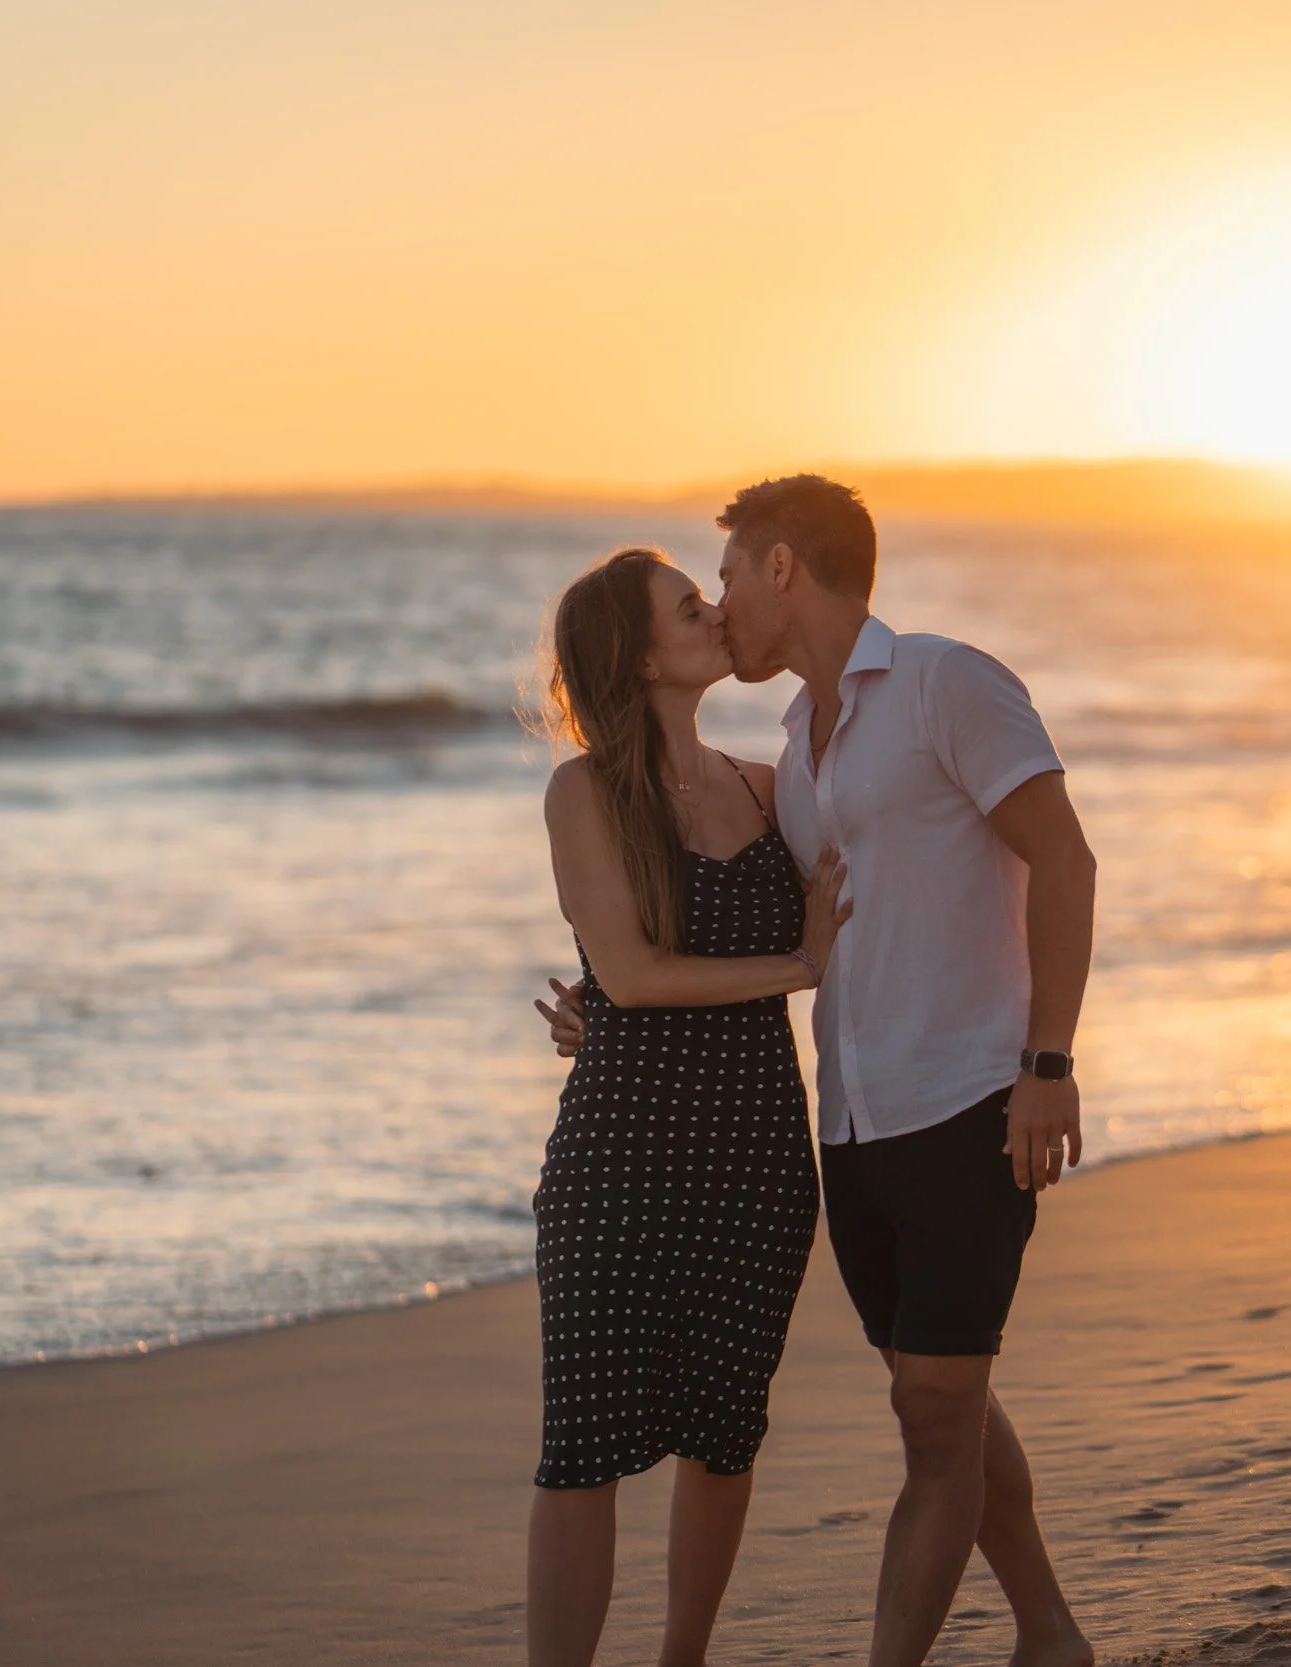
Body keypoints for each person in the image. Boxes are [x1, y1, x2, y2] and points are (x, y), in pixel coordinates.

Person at [542, 478, 1098, 1667]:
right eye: (695, 596)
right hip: (843, 1127)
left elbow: (1064, 858)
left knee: (929, 1406)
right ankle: (1048, 1628)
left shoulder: (944, 683)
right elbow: (722, 928)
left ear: (781, 568)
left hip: (960, 1101)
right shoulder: (792, 753)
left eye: (724, 577)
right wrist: (615, 1000)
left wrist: (1049, 1059)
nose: (721, 602)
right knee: (934, 1391)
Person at [525, 546, 853, 1667]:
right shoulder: (584, 791)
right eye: (687, 605)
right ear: (637, 653)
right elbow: (633, 975)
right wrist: (797, 965)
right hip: (620, 1158)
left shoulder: (768, 786)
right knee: (584, 1443)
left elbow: (871, 907)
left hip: (756, 1158)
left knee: (724, 1433)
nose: (715, 612)